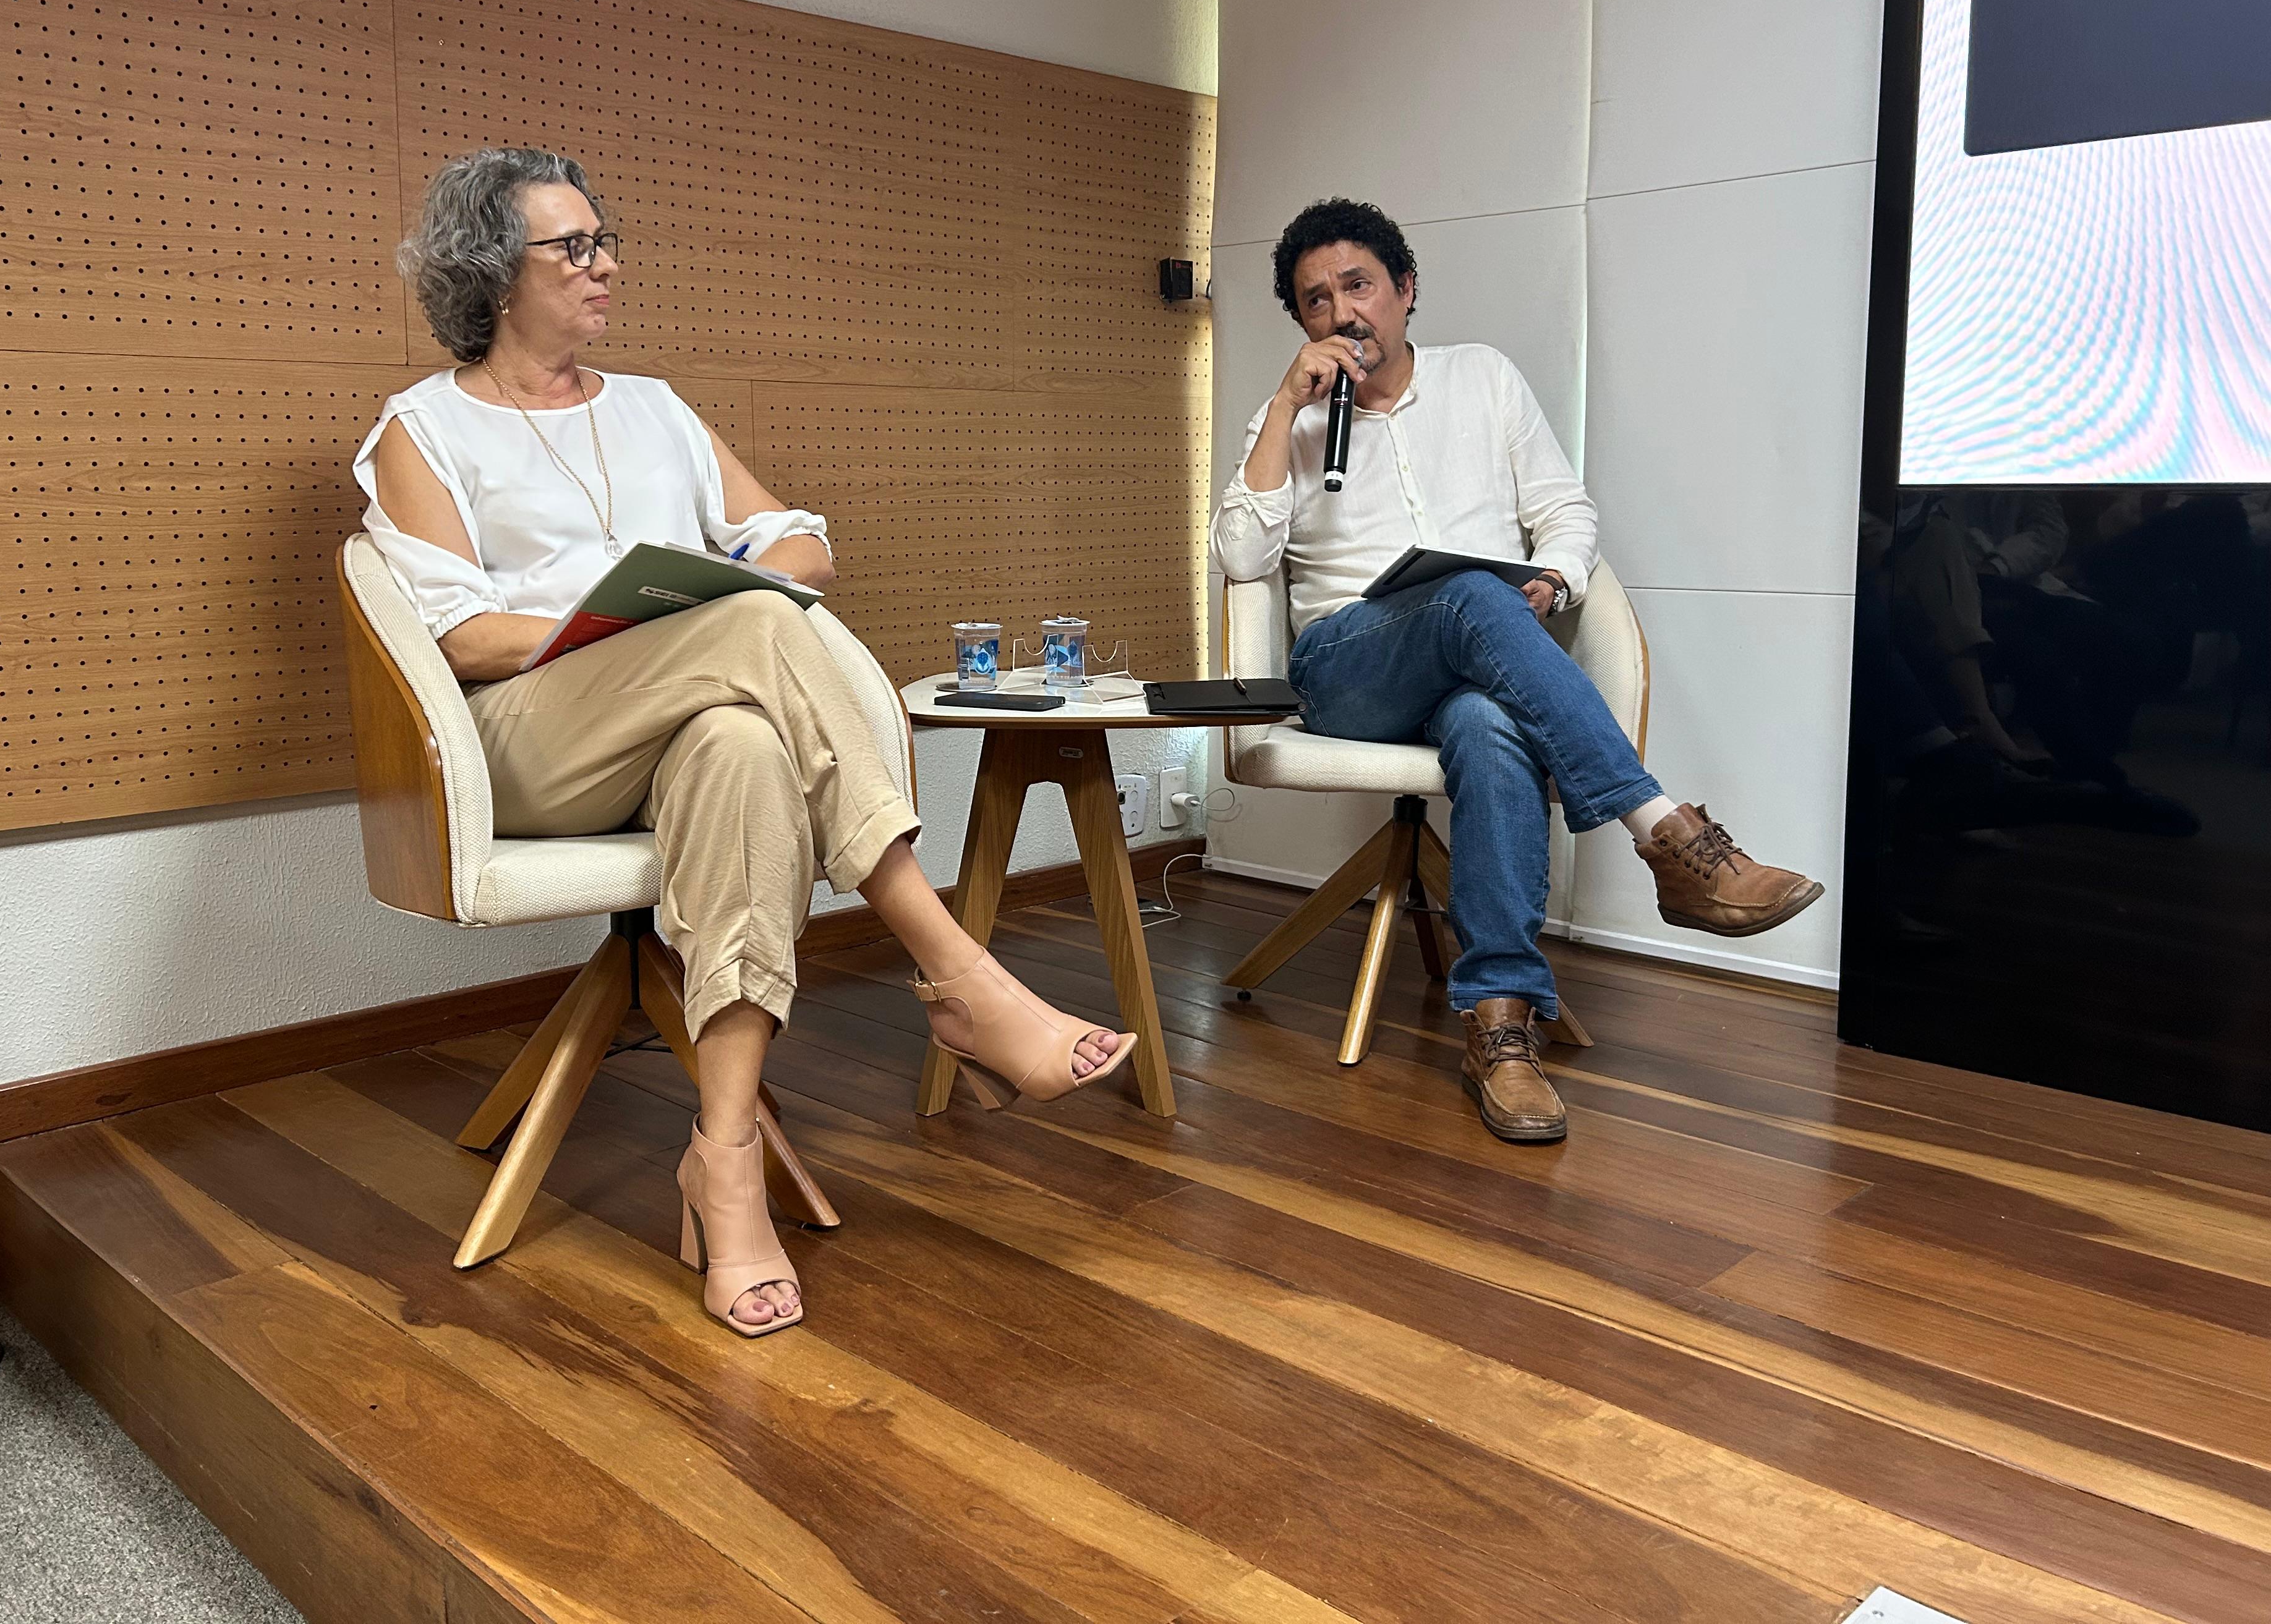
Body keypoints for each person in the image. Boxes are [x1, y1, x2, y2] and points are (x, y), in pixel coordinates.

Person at [357, 148, 1134, 1338]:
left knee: (742, 746)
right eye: (574, 246)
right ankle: (960, 974)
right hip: (534, 741)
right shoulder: (424, 429)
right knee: (751, 627)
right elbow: (461, 639)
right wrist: (648, 624)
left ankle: (721, 1164)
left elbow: (800, 544)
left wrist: (716, 598)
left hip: (683, 720)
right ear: (495, 272)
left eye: (605, 240)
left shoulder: (655, 408)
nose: (605, 264)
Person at [1210, 197, 1821, 1145]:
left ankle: (1500, 1032)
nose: (1342, 312)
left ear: (1406, 288)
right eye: (1316, 299)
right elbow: (1241, 559)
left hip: (1474, 658)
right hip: (1348, 668)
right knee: (1466, 595)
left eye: (1358, 285)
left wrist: (1554, 581)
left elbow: (1565, 513)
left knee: (1489, 725)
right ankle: (1668, 836)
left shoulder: (1483, 379)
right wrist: (1288, 405)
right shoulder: (1286, 418)